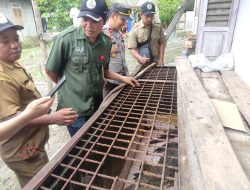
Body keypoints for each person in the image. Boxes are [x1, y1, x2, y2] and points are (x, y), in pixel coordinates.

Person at [0, 14, 78, 187]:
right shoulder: (1, 78)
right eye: (4, 41)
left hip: (31, 143)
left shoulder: (12, 63)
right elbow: (9, 119)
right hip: (21, 150)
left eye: (16, 38)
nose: (14, 45)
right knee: (44, 184)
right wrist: (53, 118)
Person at [45, 0, 139, 137]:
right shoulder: (65, 39)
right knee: (81, 145)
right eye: (85, 19)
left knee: (95, 138)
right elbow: (50, 70)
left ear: (105, 19)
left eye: (95, 20)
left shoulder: (106, 42)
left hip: (96, 104)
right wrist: (70, 87)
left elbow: (105, 71)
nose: (89, 25)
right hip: (74, 110)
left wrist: (123, 78)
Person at [102, 3, 132, 96]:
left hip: (123, 78)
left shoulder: (118, 32)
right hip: (110, 83)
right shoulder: (102, 34)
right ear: (113, 16)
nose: (124, 23)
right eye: (122, 19)